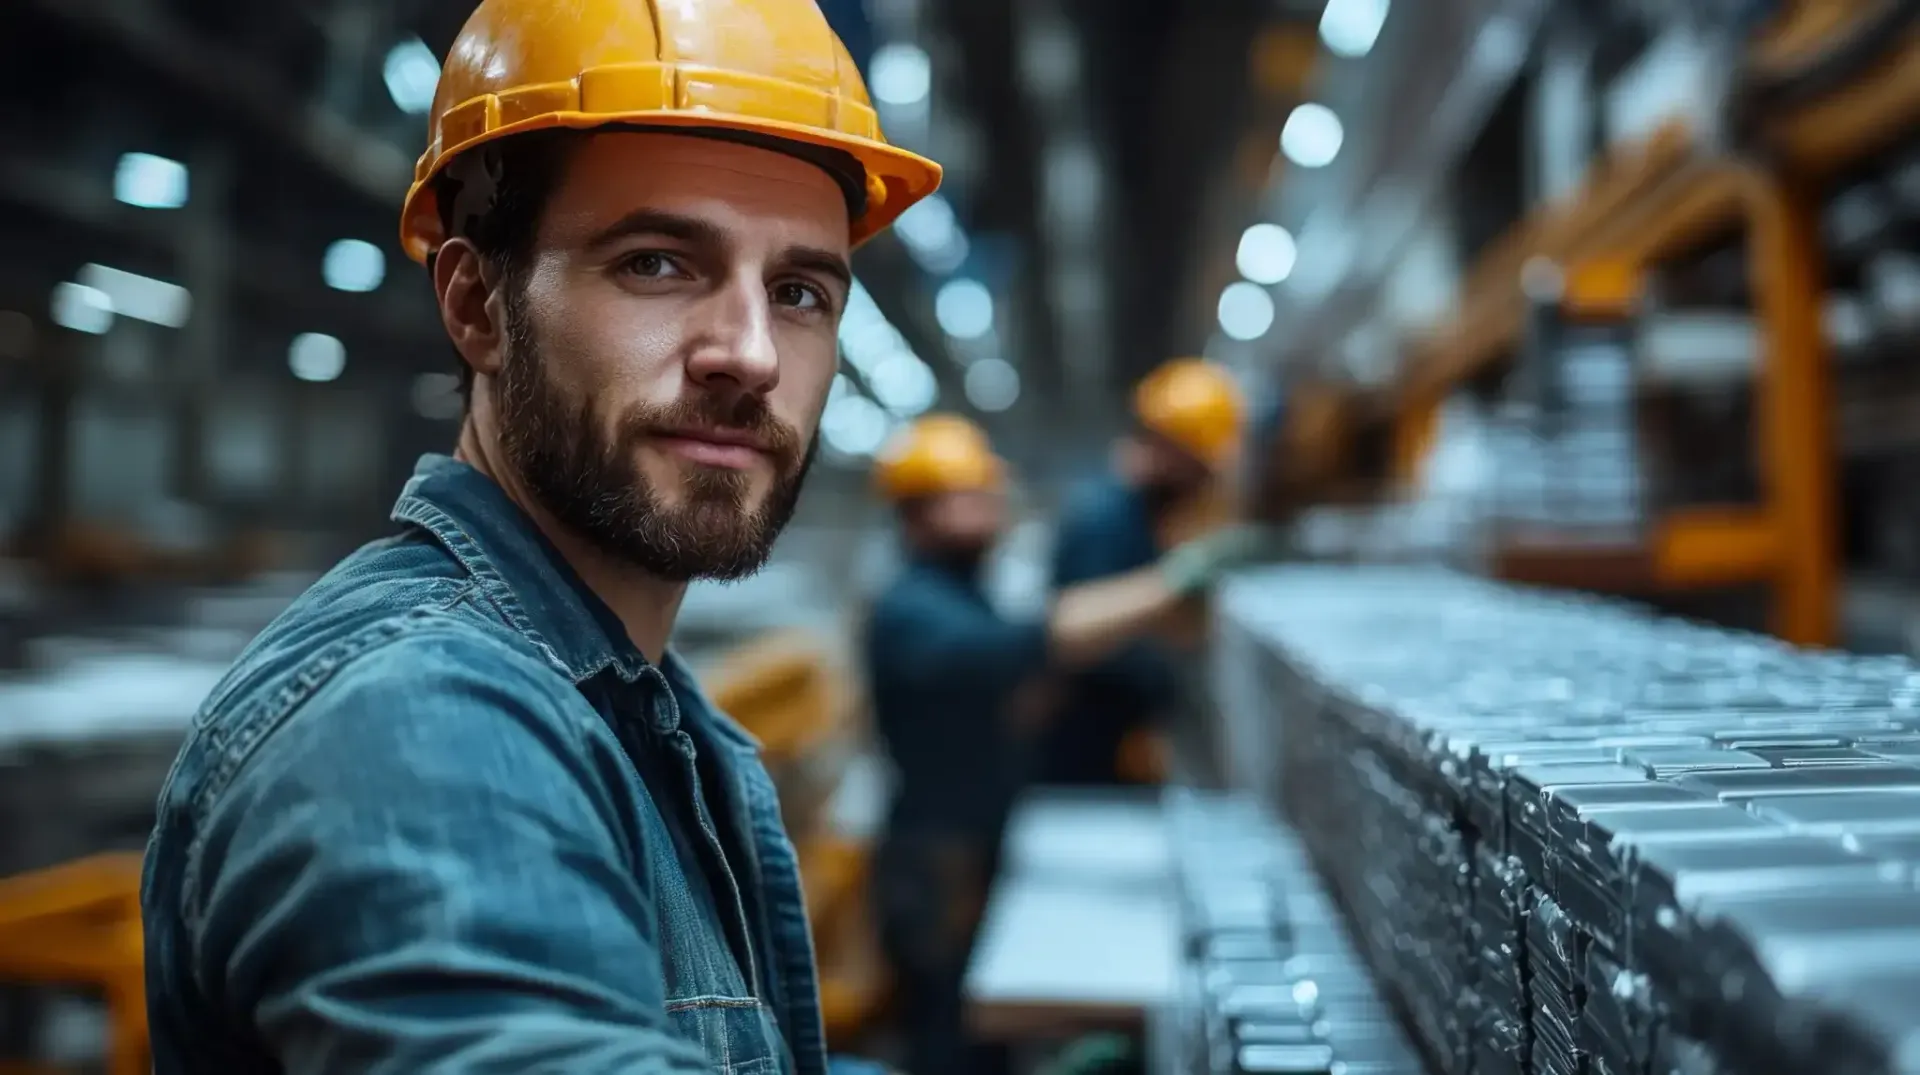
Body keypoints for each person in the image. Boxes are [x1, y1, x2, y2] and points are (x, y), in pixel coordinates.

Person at [139, 1, 943, 1071]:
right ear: (477, 304)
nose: (751, 354)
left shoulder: (631, 706)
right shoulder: (417, 725)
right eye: (657, 263)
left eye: (798, 292)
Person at [862, 415, 1268, 1075]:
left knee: (977, 1041)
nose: (990, 509)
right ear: (916, 512)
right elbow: (1030, 644)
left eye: (989, 493)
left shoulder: (962, 592)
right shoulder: (912, 608)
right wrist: (1169, 582)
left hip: (973, 843)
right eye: (968, 497)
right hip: (936, 865)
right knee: (946, 1038)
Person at [1039, 357, 1248, 786]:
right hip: (1086, 748)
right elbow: (1069, 629)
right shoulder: (1103, 518)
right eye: (1196, 463)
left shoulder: (1151, 514)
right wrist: (1181, 577)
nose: (1202, 479)